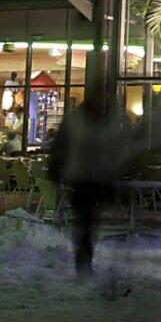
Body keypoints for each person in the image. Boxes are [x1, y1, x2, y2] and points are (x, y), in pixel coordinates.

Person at [48, 86, 130, 275]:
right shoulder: (83, 121)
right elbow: (62, 146)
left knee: (88, 222)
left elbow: (113, 149)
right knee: (86, 222)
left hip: (95, 178)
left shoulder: (98, 121)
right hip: (83, 179)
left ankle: (84, 261)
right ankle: (84, 262)